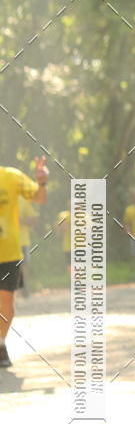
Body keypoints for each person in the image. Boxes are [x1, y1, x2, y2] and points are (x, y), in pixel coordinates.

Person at [0, 157, 49, 367]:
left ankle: (1, 343)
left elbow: (39, 198)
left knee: (6, 304)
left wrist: (42, 182)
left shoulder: (11, 176)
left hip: (8, 252)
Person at [17, 195, 39, 297]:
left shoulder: (23, 200)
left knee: (24, 265)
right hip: (5, 241)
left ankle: (24, 286)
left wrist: (23, 221)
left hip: (22, 241)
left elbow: (34, 219)